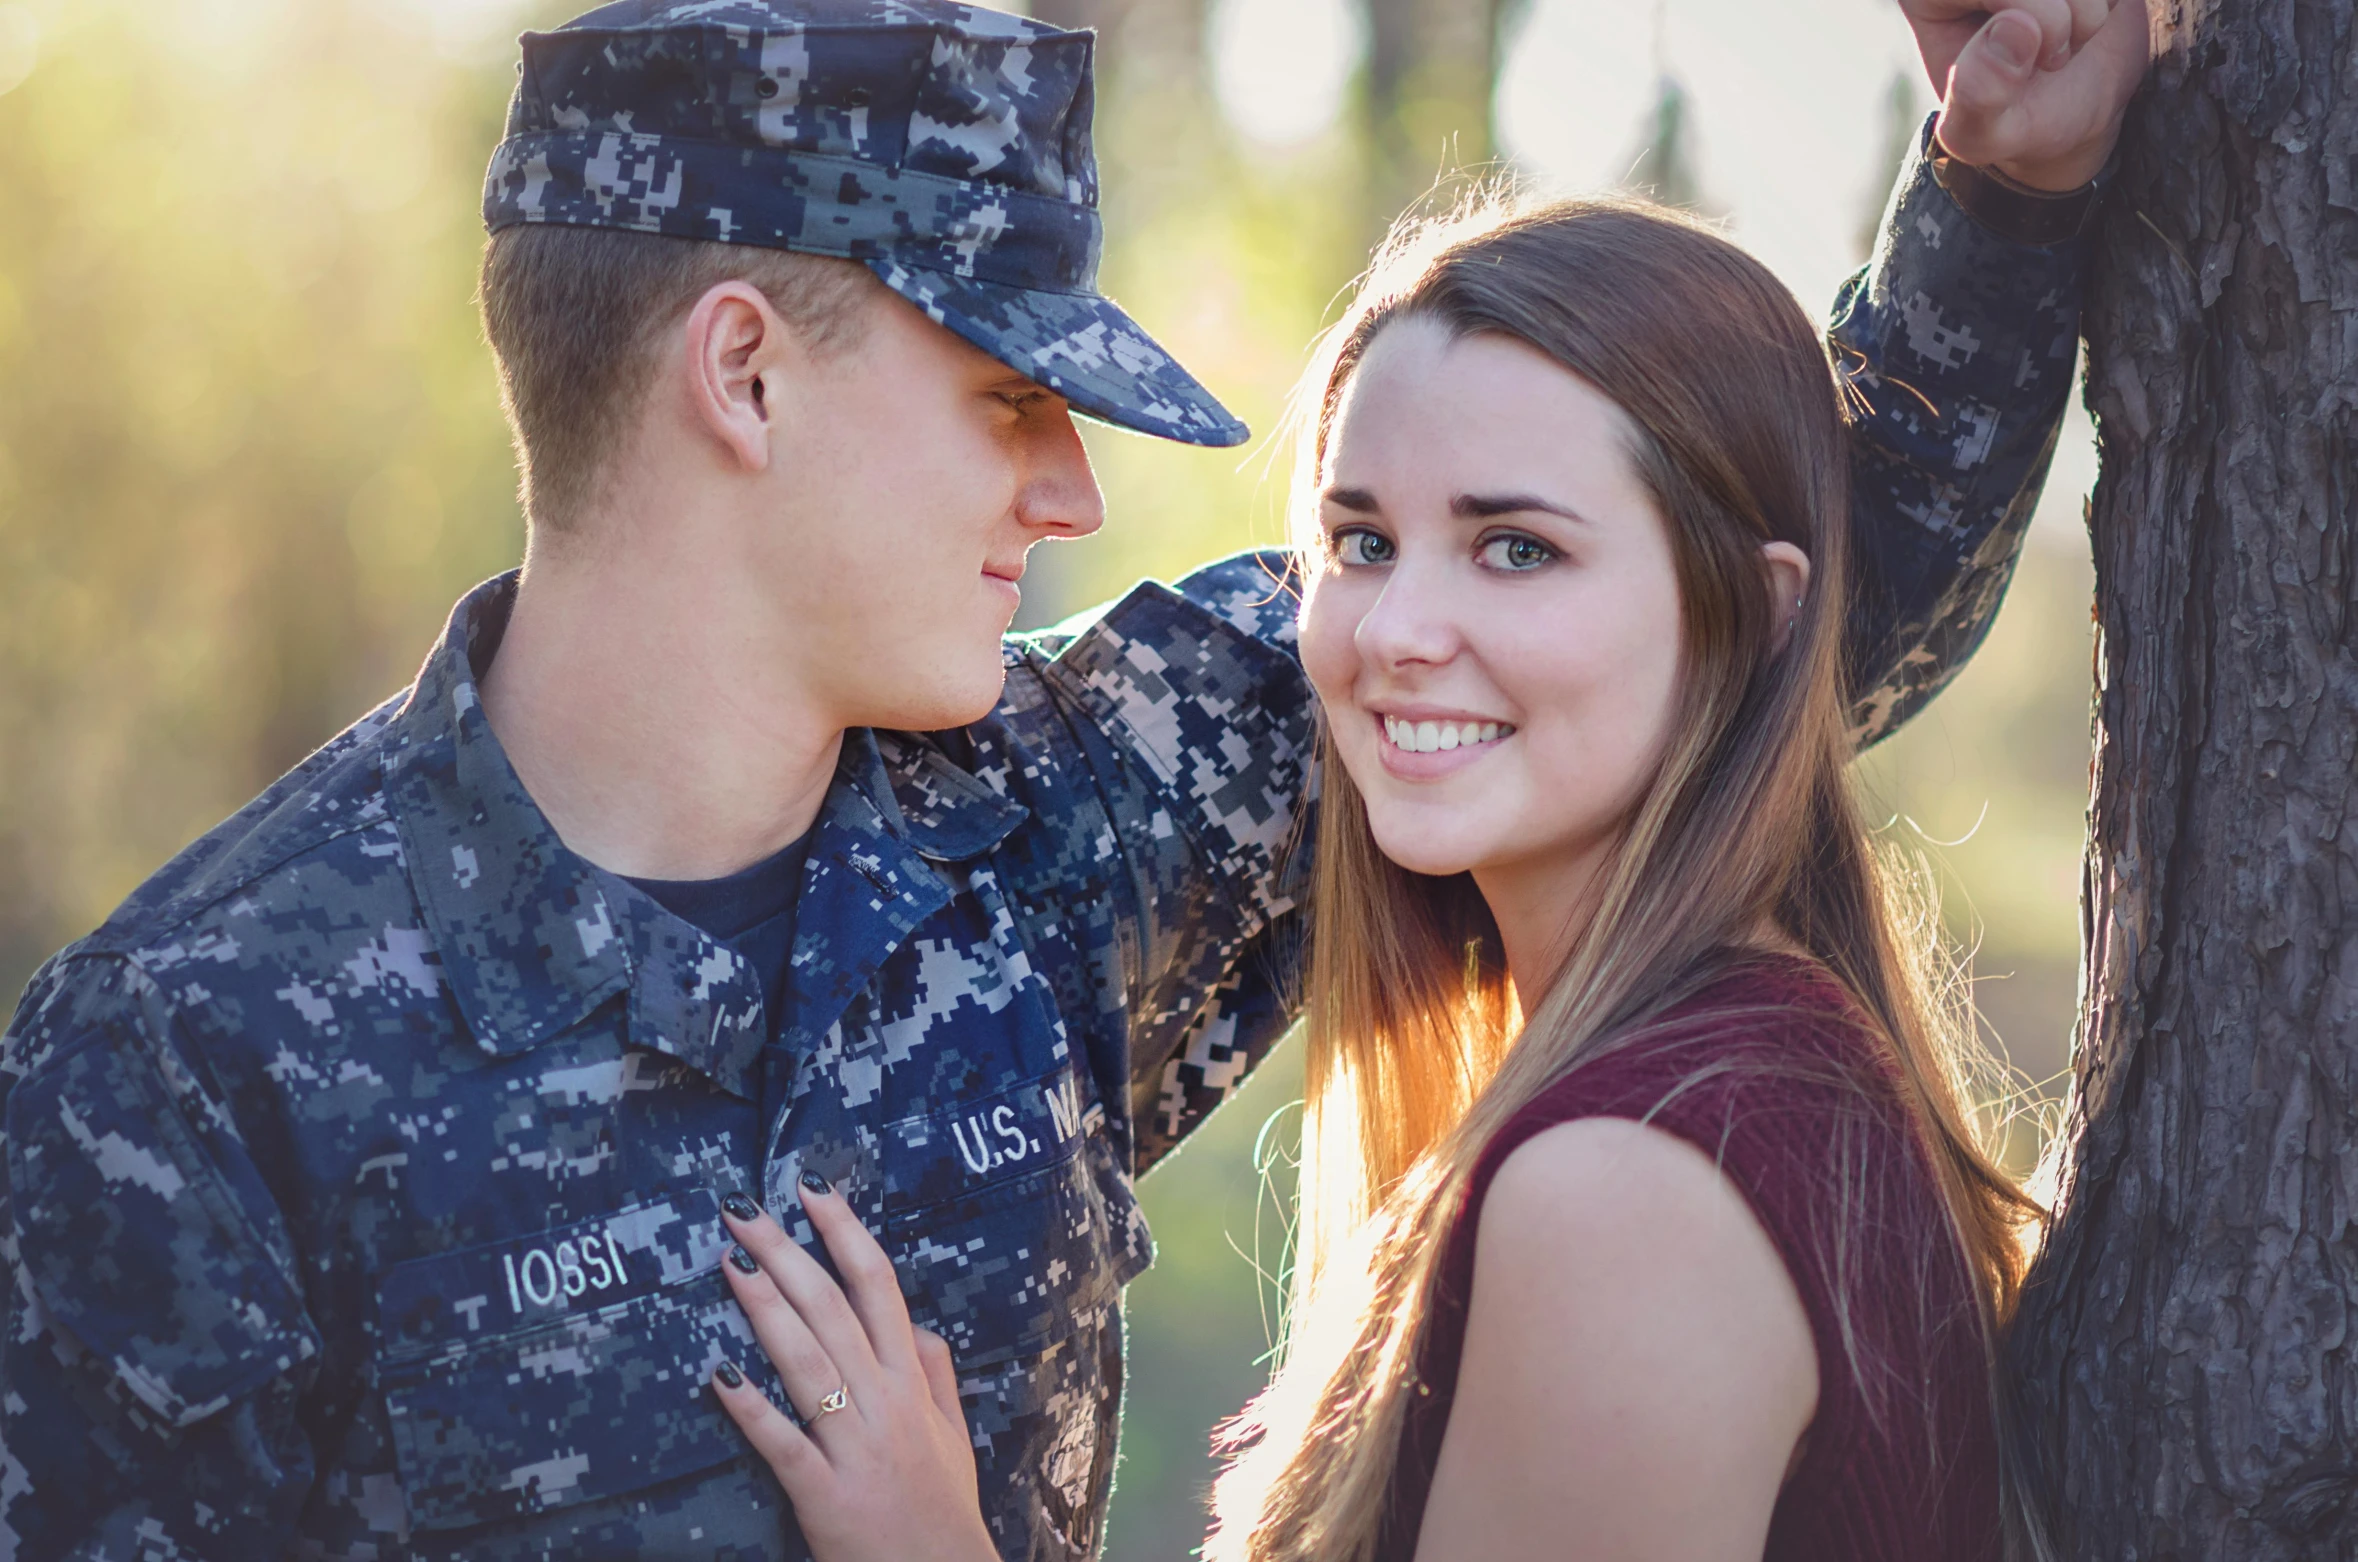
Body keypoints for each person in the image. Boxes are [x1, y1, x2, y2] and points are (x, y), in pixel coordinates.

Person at [0, 0, 2133, 1558]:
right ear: (744, 373)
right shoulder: (187, 1064)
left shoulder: (1085, 811)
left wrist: (1999, 194)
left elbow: (1721, 601)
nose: (1078, 488)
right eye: (1009, 394)